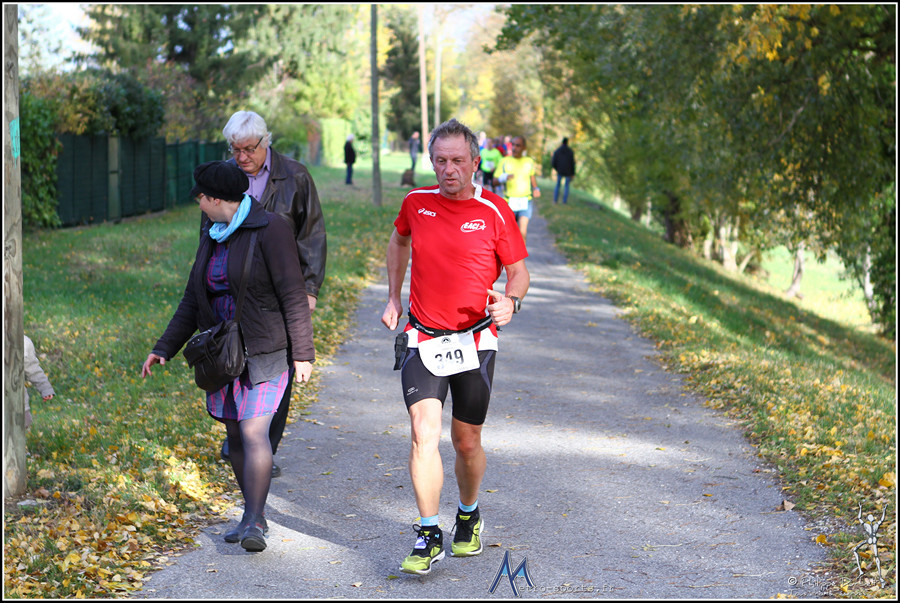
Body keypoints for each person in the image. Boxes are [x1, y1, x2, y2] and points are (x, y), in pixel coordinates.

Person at [381, 118, 530, 575]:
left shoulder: (495, 210)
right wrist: (393, 297)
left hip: (476, 339)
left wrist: (511, 301)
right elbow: (398, 241)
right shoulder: (416, 203)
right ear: (431, 161)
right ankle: (428, 533)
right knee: (423, 432)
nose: (449, 170)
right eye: (441, 161)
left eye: (458, 161)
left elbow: (519, 272)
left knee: (466, 441)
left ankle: (468, 514)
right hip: (423, 335)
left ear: (475, 162)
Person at [142, 161, 315, 552]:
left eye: (200, 198)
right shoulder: (212, 231)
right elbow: (193, 296)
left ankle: (254, 520)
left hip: (265, 349)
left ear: (215, 198)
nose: (198, 205)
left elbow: (292, 293)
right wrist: (163, 347)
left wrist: (303, 353)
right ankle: (253, 513)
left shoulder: (271, 229)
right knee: (234, 433)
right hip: (221, 352)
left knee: (254, 432)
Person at [220, 110, 327, 479]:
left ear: (266, 142)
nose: (241, 157)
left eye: (249, 149)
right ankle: (238, 435)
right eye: (235, 149)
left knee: (280, 368)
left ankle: (265, 444)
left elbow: (312, 234)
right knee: (232, 358)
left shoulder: (295, 176)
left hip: (283, 289)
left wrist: (309, 288)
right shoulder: (226, 175)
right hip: (235, 290)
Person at [494, 136, 540, 243]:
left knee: (522, 232)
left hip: (525, 200)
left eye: (518, 145)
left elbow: (532, 176)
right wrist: (504, 177)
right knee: (508, 234)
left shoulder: (529, 161)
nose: (514, 148)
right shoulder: (504, 161)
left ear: (524, 148)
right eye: (513, 145)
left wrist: (536, 188)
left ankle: (521, 254)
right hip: (509, 201)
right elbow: (494, 182)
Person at [24, 335, 55, 430]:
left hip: (17, 403)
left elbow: (33, 369)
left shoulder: (24, 342)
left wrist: (45, 388)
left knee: (22, 424)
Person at [551, 137, 576, 204]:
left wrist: (557, 168)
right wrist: (572, 173)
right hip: (568, 172)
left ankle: (555, 200)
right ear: (567, 143)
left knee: (558, 185)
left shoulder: (558, 151)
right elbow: (573, 163)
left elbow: (553, 161)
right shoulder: (570, 152)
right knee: (566, 186)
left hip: (560, 170)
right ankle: (564, 201)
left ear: (562, 142)